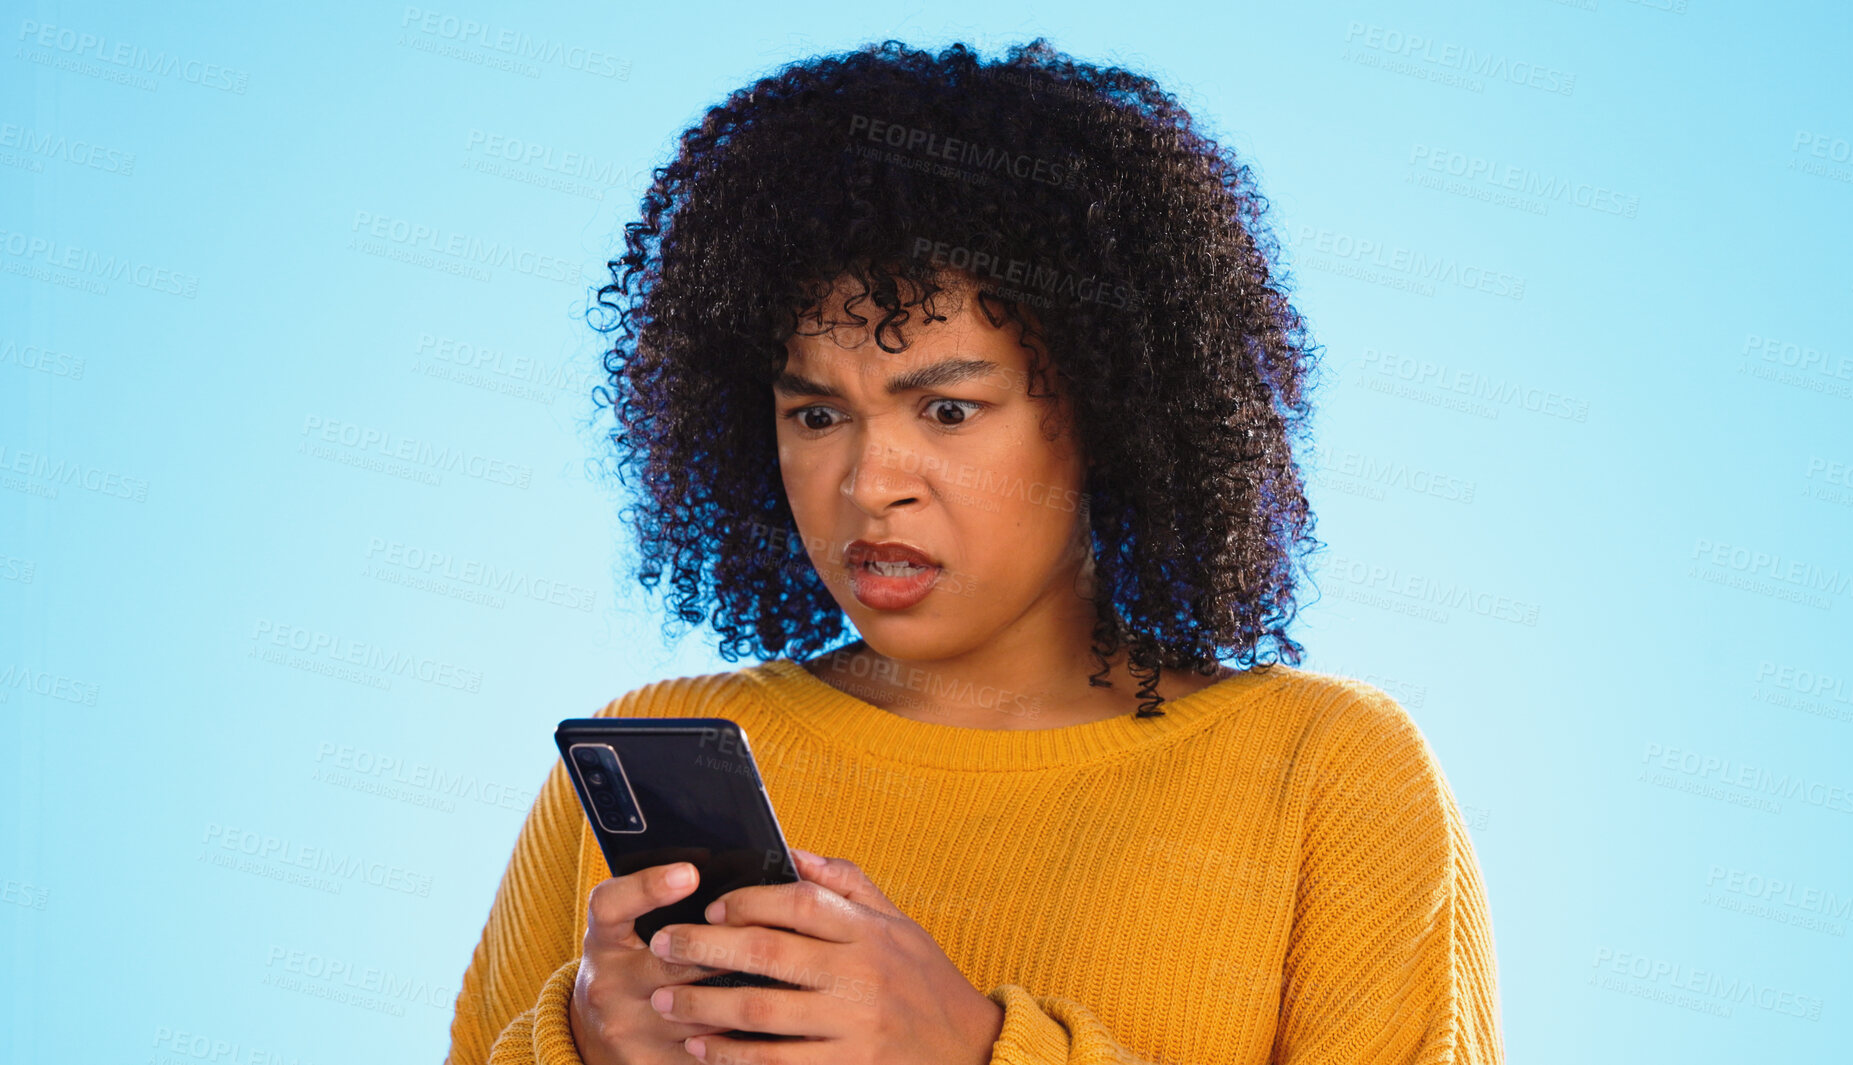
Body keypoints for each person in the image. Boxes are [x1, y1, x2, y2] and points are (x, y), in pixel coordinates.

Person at [448, 37, 1504, 1065]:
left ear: (1109, 412)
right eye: (815, 416)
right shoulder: (650, 750)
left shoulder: (1323, 771)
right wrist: (580, 1047)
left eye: (947, 410)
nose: (868, 483)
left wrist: (971, 1050)